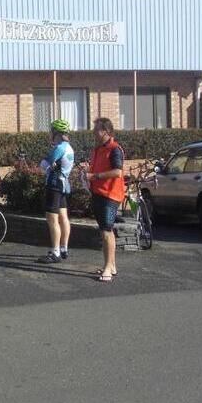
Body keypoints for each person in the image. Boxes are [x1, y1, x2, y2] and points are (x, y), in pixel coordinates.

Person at [83, 117, 125, 282]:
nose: (94, 131)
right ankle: (111, 265)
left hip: (110, 195)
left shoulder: (115, 149)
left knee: (106, 231)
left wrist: (95, 176)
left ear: (106, 131)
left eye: (97, 129)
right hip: (98, 193)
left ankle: (108, 268)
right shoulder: (98, 149)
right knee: (105, 230)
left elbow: (118, 172)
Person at [38, 119, 75, 264]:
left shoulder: (59, 148)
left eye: (52, 132)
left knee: (52, 219)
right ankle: (64, 248)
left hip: (54, 185)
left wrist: (47, 164)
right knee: (64, 217)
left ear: (56, 133)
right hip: (64, 185)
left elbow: (43, 165)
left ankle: (55, 252)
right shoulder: (69, 148)